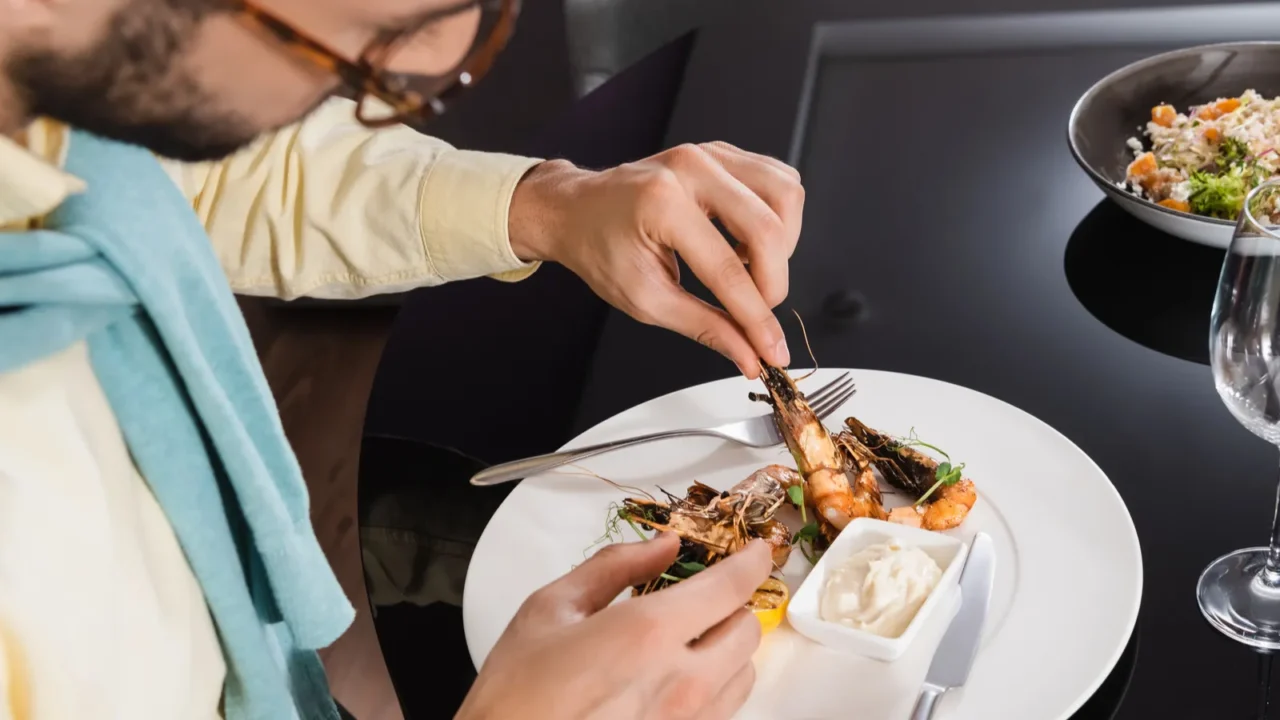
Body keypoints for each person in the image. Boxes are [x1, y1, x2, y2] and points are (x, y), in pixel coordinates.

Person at [0, 0, 802, 718]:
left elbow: (200, 160)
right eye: (360, 46)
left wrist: (551, 204)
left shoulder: (79, 78)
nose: (414, 66)